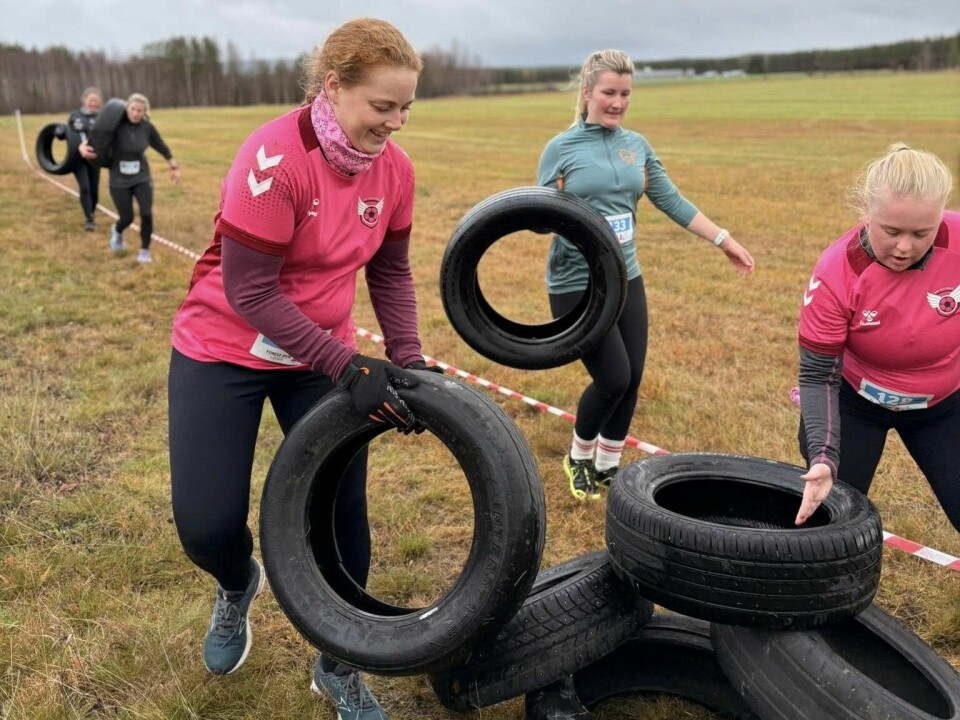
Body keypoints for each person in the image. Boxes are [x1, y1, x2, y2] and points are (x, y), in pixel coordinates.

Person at [167, 18, 435, 720]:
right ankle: (236, 583)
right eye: (383, 106)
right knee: (206, 526)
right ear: (334, 86)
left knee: (343, 519)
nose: (396, 123)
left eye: (406, 107)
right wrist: (348, 365)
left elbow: (391, 271)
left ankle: (340, 663)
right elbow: (250, 291)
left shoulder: (395, 171)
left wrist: (407, 358)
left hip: (318, 356)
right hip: (224, 348)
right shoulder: (274, 159)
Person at [537, 49, 755, 501]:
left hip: (626, 277)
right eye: (608, 93)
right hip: (576, 283)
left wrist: (724, 240)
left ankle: (607, 465)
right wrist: (551, 205)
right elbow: (537, 217)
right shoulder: (561, 148)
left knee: (633, 376)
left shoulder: (637, 146)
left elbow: (671, 200)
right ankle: (578, 456)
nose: (617, 102)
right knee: (613, 377)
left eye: (625, 94)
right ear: (587, 92)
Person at [795, 143, 959, 530]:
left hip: (945, 402)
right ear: (866, 213)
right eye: (891, 231)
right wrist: (823, 455)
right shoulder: (836, 272)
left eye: (922, 233)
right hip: (855, 402)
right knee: (834, 521)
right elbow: (818, 375)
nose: (904, 247)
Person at [79, 93, 181, 263]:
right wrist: (82, 148)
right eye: (132, 109)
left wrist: (174, 167)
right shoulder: (115, 126)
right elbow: (95, 139)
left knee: (146, 214)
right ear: (126, 108)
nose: (135, 113)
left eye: (139, 110)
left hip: (141, 176)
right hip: (118, 178)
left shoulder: (147, 128)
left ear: (145, 112)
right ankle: (118, 231)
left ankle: (144, 251)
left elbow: (161, 146)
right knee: (127, 218)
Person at [62, 87, 102, 231]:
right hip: (77, 158)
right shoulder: (75, 116)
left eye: (96, 101)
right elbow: (67, 133)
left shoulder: (102, 117)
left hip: (94, 157)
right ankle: (89, 219)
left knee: (94, 191)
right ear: (85, 100)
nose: (93, 103)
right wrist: (60, 132)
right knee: (85, 188)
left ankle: (92, 210)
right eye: (91, 100)